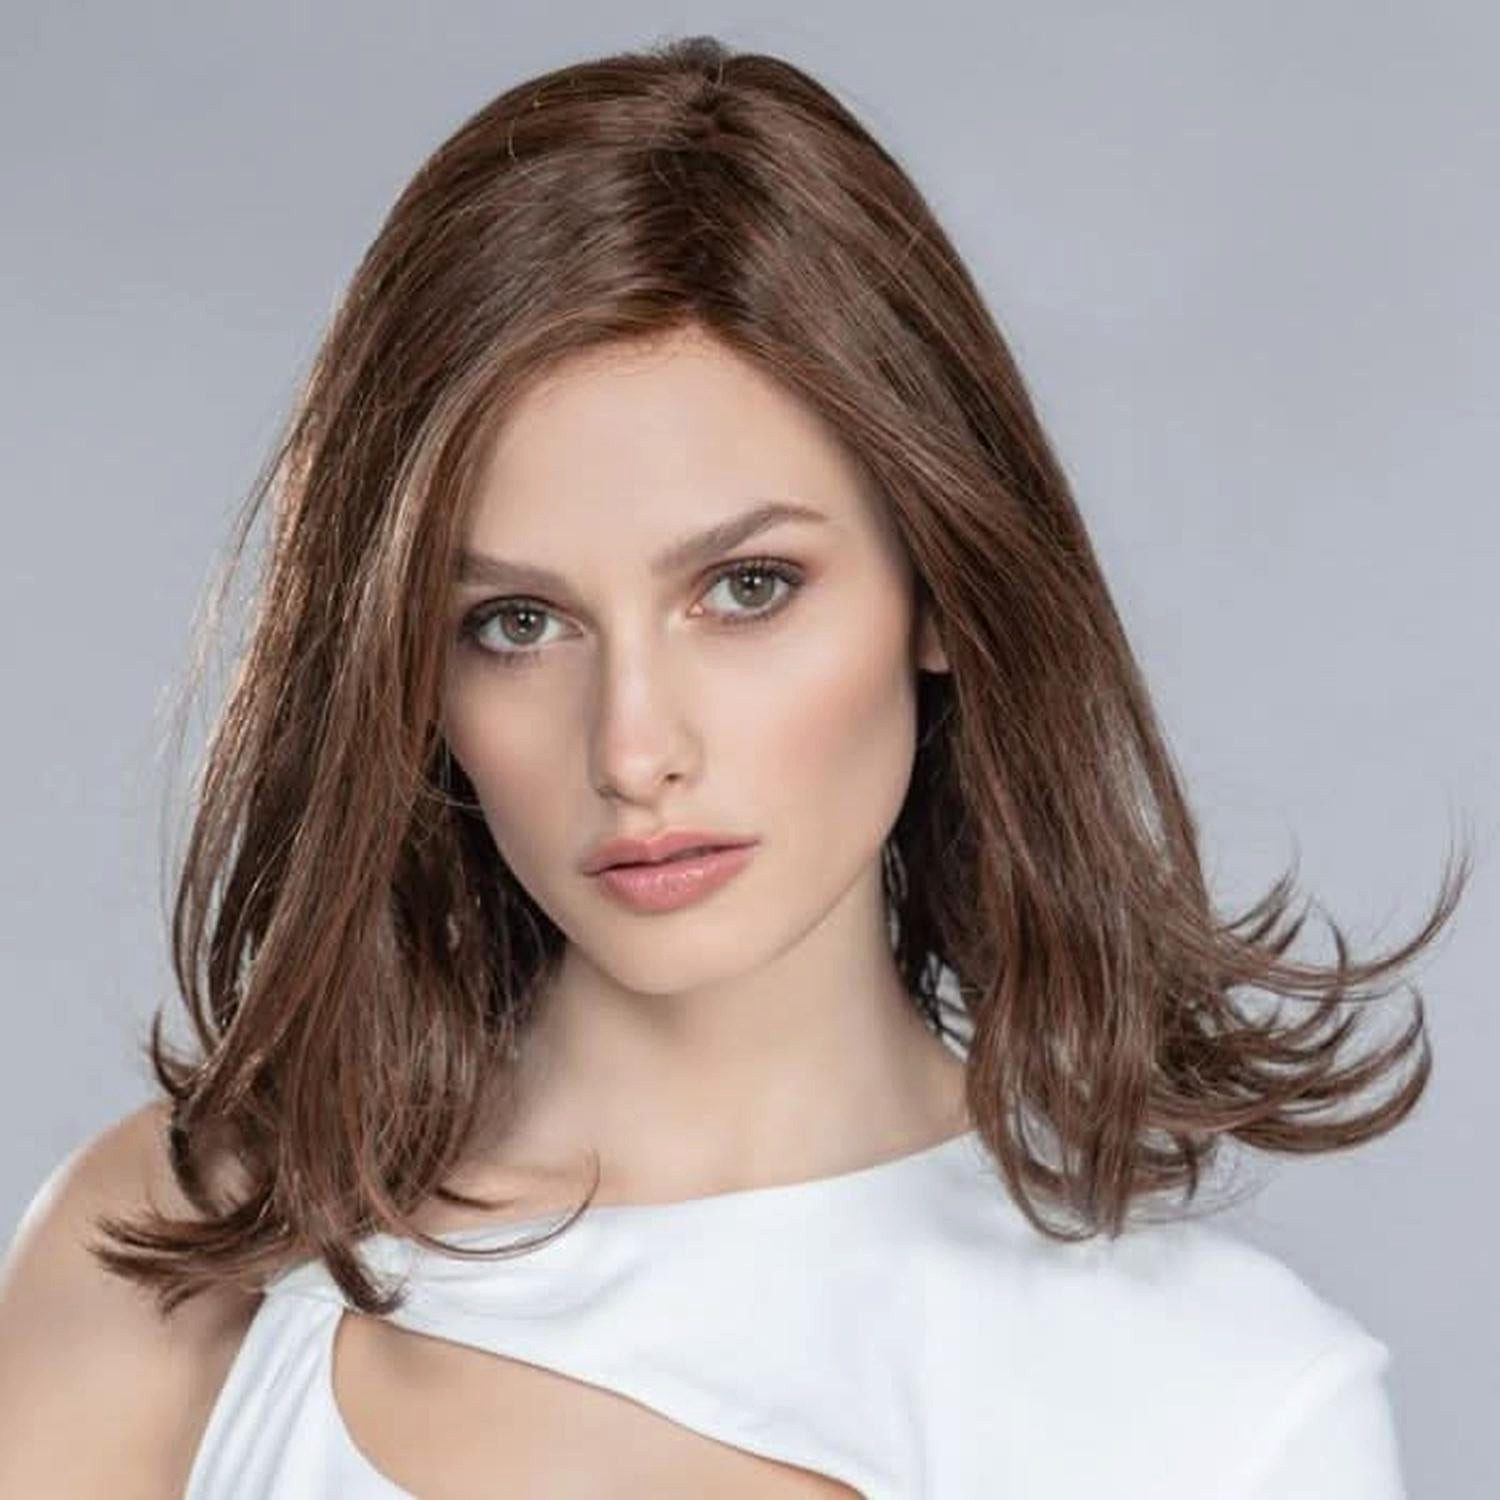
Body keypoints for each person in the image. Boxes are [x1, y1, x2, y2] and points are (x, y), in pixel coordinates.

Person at [0, 33, 1468, 1499]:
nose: (635, 749)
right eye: (517, 623)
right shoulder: (177, 1253)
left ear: (940, 588)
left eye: (747, 588)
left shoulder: (1222, 1411)